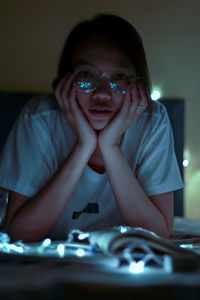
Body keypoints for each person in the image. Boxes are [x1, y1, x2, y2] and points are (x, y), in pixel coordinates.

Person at [0, 14, 183, 242]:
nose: (102, 93)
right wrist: (83, 145)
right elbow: (19, 234)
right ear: (66, 80)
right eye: (86, 75)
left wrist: (110, 146)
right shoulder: (40, 118)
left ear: (136, 82)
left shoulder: (152, 121)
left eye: (118, 77)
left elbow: (159, 233)